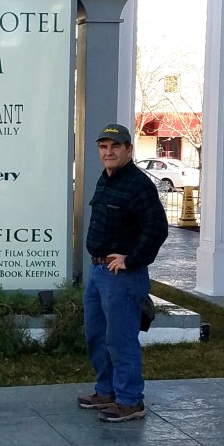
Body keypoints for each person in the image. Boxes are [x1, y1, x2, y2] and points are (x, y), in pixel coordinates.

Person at [78, 123, 168, 423]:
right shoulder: (106, 179)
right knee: (97, 336)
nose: (109, 152)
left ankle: (130, 400)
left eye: (115, 146)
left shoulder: (138, 184)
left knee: (121, 339)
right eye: (104, 147)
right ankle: (106, 392)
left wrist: (132, 260)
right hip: (98, 272)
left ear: (129, 149)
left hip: (122, 277)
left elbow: (156, 228)